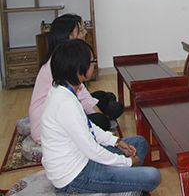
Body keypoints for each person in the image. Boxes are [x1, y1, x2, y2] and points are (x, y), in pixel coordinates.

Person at [41, 39, 161, 193]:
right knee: (153, 176)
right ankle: (127, 182)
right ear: (78, 69)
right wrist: (127, 163)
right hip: (76, 176)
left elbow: (89, 127)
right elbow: (91, 149)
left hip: (82, 158)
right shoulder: (65, 104)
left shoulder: (62, 91)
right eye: (91, 61)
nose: (94, 65)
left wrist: (116, 141)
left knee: (140, 143)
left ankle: (126, 183)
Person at [29, 14, 124, 144]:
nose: (85, 33)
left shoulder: (61, 57)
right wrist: (102, 120)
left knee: (105, 96)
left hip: (62, 113)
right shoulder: (61, 63)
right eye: (81, 30)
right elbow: (83, 97)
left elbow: (82, 94)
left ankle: (105, 114)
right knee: (103, 118)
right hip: (48, 129)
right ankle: (106, 117)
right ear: (69, 37)